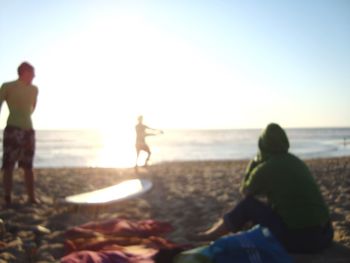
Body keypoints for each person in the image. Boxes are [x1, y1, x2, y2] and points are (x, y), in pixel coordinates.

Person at [191, 123, 333, 253]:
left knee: (248, 205)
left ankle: (211, 235)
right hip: (325, 234)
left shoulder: (265, 168)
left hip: (298, 241)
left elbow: (245, 191)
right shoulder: (297, 162)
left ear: (262, 144)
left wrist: (253, 164)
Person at [0, 62, 39, 206]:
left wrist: (24, 118)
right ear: (23, 72)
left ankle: (31, 197)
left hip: (29, 131)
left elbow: (32, 108)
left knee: (28, 166)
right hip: (12, 130)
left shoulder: (35, 89)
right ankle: (7, 197)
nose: (34, 76)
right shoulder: (7, 86)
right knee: (8, 165)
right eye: (32, 73)